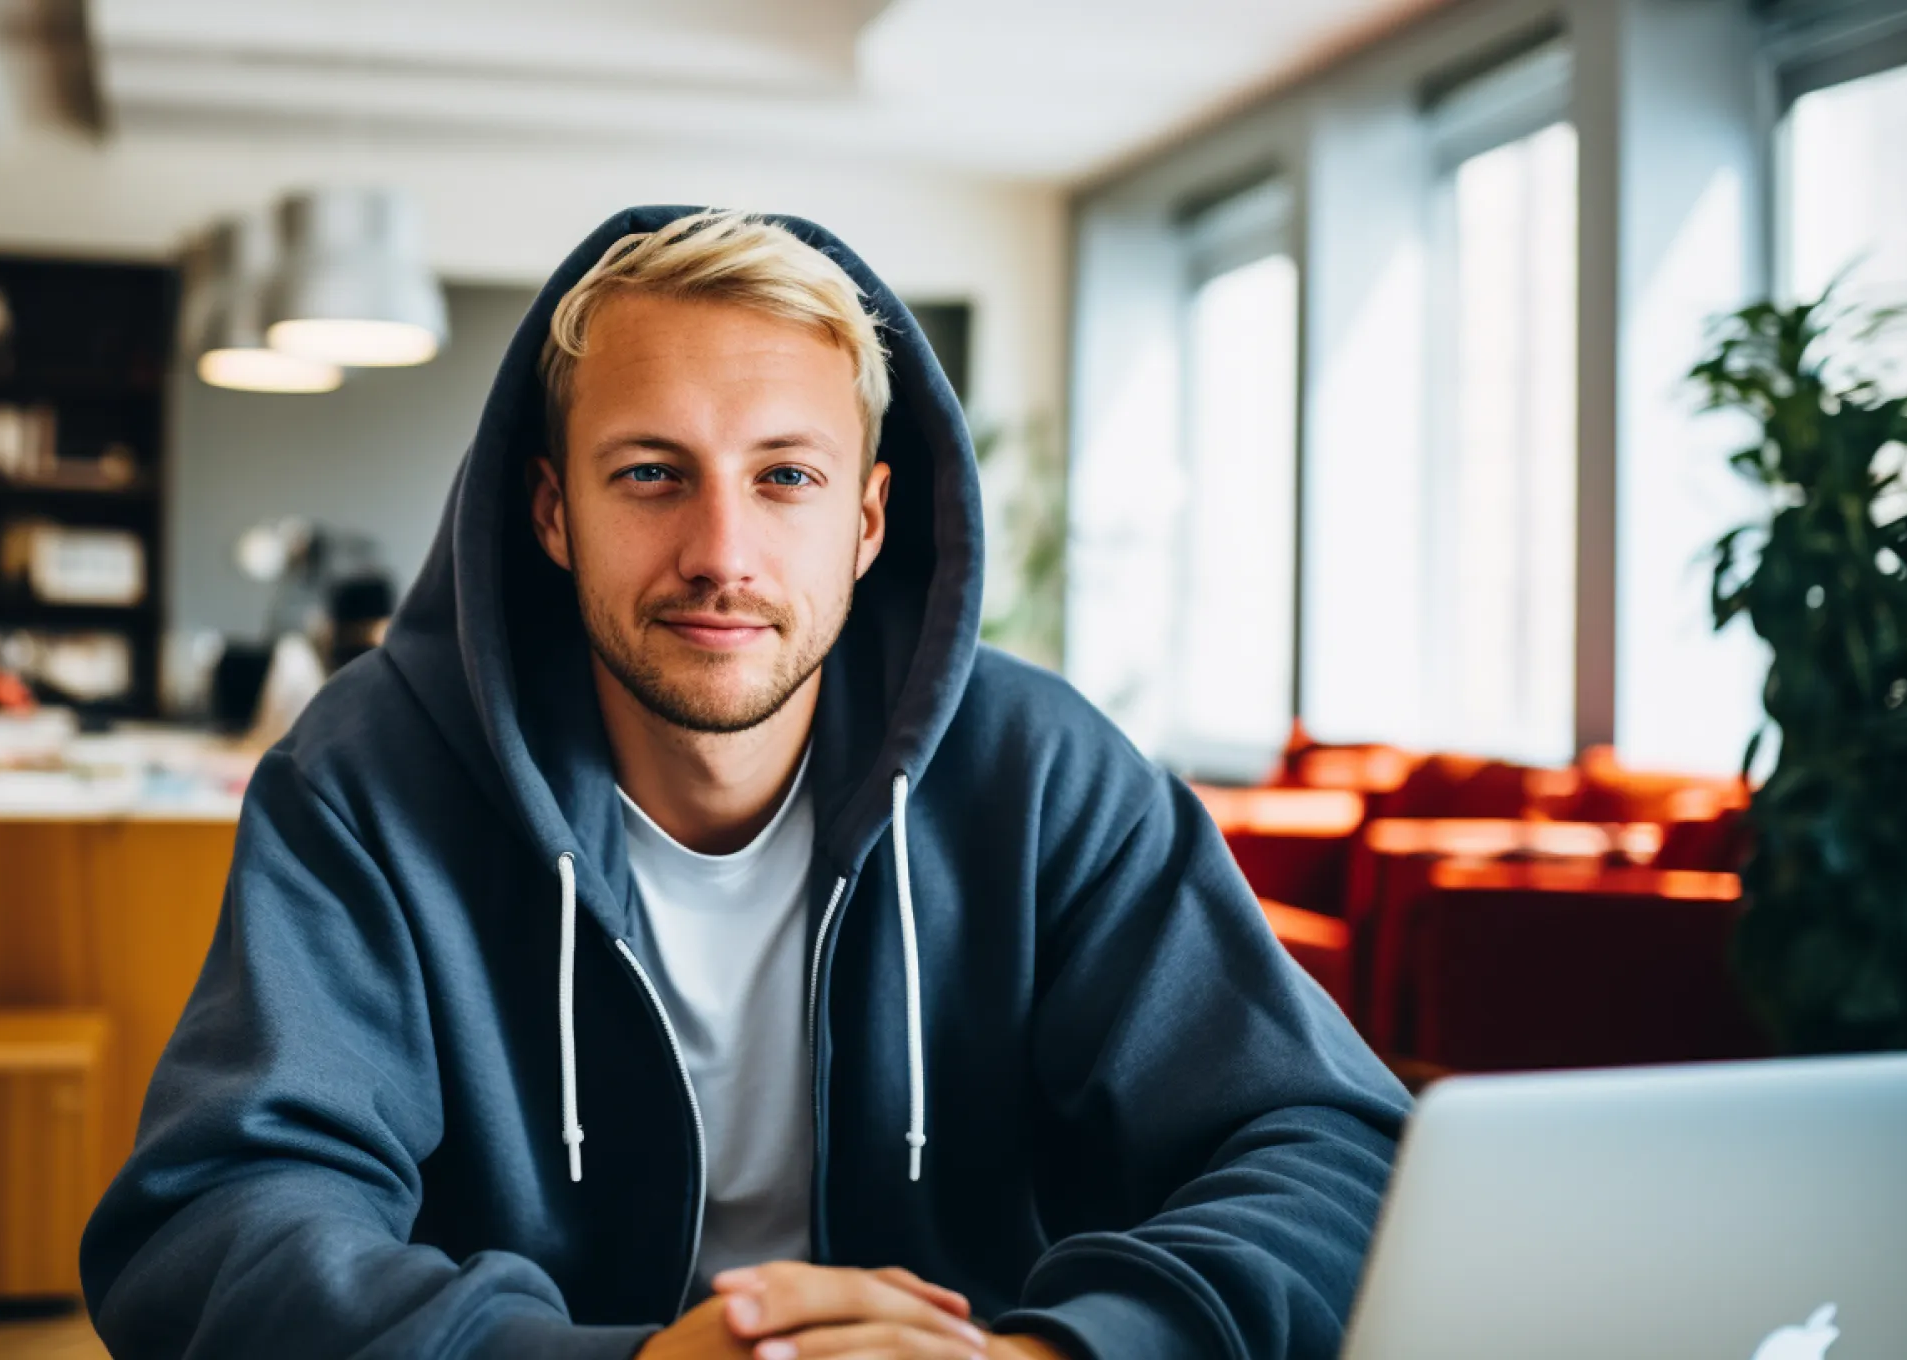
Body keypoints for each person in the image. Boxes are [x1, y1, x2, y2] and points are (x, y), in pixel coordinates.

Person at [80, 207, 1411, 1359]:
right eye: (652, 475)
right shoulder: (369, 782)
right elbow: (217, 1221)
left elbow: (1335, 1155)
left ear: (871, 520)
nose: (723, 552)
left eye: (786, 477)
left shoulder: (1045, 778)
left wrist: (1066, 1350)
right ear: (552, 511)